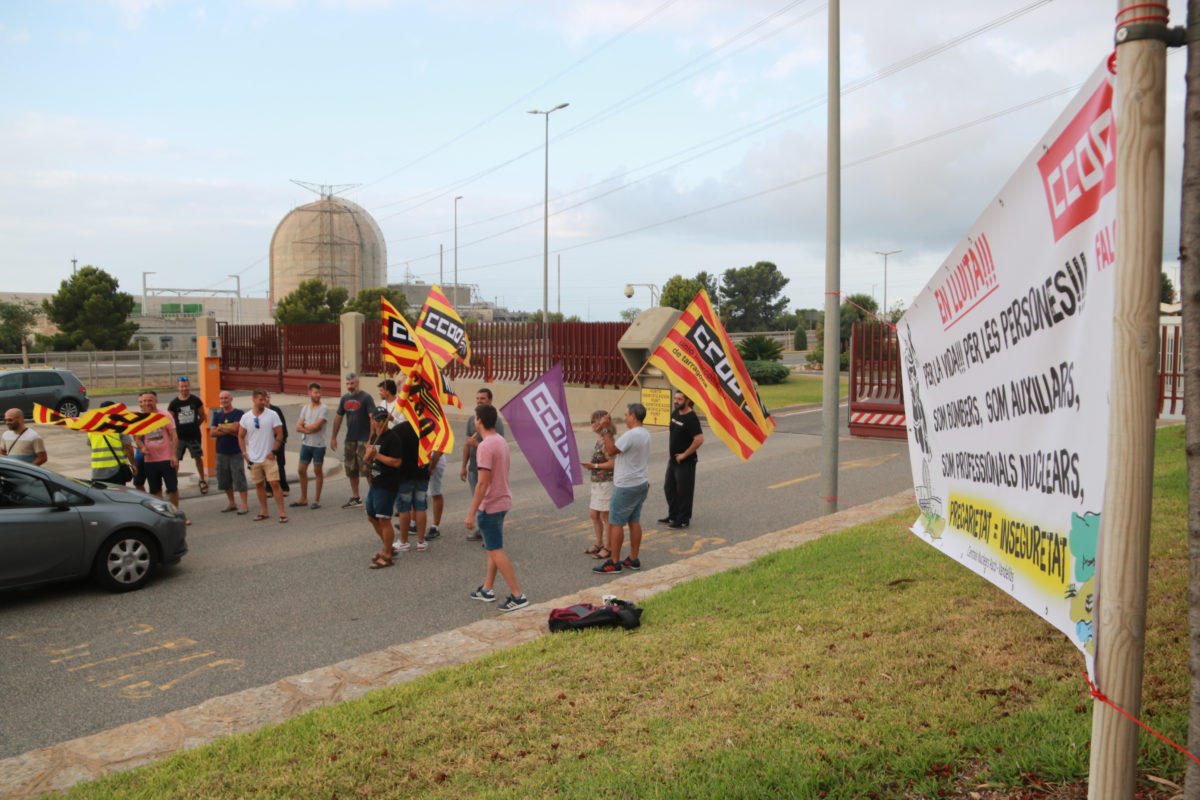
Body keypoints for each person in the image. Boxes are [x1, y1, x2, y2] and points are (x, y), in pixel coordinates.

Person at [465, 403, 528, 611]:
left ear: (479, 420)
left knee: (495, 549)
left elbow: (482, 483)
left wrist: (472, 513)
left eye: (475, 417)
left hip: (491, 504)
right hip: (503, 500)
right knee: (492, 547)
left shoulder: (484, 446)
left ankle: (517, 595)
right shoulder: (500, 441)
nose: (474, 420)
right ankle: (487, 588)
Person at [592, 402, 652, 574]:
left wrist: (605, 430)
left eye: (626, 415)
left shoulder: (631, 435)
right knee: (634, 521)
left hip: (625, 484)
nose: (624, 418)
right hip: (640, 482)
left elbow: (611, 450)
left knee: (616, 522)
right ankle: (633, 558)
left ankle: (614, 562)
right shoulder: (645, 434)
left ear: (633, 416)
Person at [460, 388, 505, 540]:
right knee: (477, 498)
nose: (479, 400)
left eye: (483, 398)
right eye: (477, 398)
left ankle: (484, 530)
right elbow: (467, 444)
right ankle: (483, 530)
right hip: (474, 467)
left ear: (490, 400)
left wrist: (477, 445)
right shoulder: (471, 420)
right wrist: (463, 467)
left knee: (483, 500)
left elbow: (493, 451)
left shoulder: (495, 422)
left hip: (486, 470)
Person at [362, 406, 404, 569]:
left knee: (384, 519)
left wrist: (376, 455)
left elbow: (397, 462)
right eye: (377, 419)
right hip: (375, 481)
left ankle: (387, 555)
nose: (380, 422)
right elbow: (369, 456)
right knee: (371, 516)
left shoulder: (392, 438)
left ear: (387, 420)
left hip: (387, 484)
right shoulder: (375, 436)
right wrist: (367, 456)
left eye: (382, 419)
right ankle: (388, 547)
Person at [238, 389, 287, 523]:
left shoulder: (272, 414)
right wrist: (245, 454)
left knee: (274, 483)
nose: (263, 402)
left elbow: (279, 434)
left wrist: (273, 451)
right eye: (261, 399)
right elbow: (241, 436)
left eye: (265, 399)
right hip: (253, 458)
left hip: (268, 457)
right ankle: (264, 511)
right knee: (259, 485)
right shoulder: (246, 417)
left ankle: (282, 512)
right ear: (254, 400)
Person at [330, 372, 376, 509]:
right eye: (347, 384)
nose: (350, 386)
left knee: (367, 470)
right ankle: (356, 497)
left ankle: (374, 497)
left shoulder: (366, 398)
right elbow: (338, 417)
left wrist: (370, 440)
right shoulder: (344, 399)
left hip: (363, 440)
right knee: (351, 470)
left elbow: (372, 419)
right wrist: (334, 437)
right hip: (350, 439)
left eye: (352, 383)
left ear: (357, 383)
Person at [660, 391, 704, 529]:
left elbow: (699, 440)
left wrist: (684, 455)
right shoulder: (675, 413)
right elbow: (673, 434)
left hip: (686, 461)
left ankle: (683, 519)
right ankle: (673, 515)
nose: (676, 401)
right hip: (673, 460)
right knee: (669, 488)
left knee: (684, 491)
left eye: (679, 399)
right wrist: (670, 452)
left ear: (687, 400)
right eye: (675, 398)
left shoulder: (691, 418)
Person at [135, 391, 182, 515]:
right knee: (155, 490)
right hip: (150, 460)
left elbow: (174, 436)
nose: (146, 403)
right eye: (144, 401)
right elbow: (138, 439)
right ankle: (162, 514)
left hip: (166, 459)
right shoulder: (142, 418)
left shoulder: (164, 415)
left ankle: (175, 513)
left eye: (149, 400)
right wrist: (142, 448)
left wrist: (174, 455)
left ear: (156, 401)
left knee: (172, 488)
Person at [391, 416, 430, 553]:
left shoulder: (398, 430)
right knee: (420, 506)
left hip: (404, 474)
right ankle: (421, 541)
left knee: (404, 509)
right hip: (422, 472)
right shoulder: (427, 428)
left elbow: (393, 452)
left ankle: (403, 541)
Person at [581, 409, 616, 559]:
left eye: (593, 421)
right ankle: (599, 542)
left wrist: (594, 466)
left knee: (606, 516)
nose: (591, 424)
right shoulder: (599, 439)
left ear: (601, 423)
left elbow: (613, 463)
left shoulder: (607, 441)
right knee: (594, 514)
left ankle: (609, 547)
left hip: (606, 483)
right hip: (597, 483)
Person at [210, 390, 249, 514]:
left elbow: (237, 430)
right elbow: (212, 432)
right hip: (221, 452)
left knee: (239, 478)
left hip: (236, 451)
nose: (223, 400)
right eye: (221, 398)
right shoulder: (217, 416)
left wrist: (221, 428)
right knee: (224, 479)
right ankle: (232, 502)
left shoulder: (238, 413)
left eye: (226, 398)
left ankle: (244, 504)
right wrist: (229, 430)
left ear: (231, 399)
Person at [167, 377, 207, 495]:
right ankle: (173, 483)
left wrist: (194, 425)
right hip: (179, 437)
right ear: (178, 388)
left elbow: (202, 417)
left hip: (194, 436)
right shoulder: (174, 403)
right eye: (182, 386)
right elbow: (170, 421)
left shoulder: (196, 400)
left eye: (186, 386)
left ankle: (202, 479)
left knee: (198, 458)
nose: (184, 388)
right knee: (176, 460)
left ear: (189, 386)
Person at [294, 382, 329, 509]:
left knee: (317, 471)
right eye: (315, 392)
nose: (318, 395)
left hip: (318, 445)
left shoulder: (323, 408)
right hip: (306, 443)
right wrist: (307, 428)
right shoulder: (305, 408)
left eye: (319, 392)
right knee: (301, 470)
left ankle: (317, 499)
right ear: (309, 393)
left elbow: (317, 426)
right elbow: (298, 426)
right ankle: (303, 497)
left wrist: (306, 426)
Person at [89, 401, 136, 485]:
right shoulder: (119, 426)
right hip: (115, 470)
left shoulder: (92, 428)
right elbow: (128, 447)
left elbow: (92, 446)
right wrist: (133, 464)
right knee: (117, 495)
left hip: (97, 471)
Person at [267, 394, 290, 495]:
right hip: (266, 443)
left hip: (278, 441)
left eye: (267, 397)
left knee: (280, 465)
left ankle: (284, 488)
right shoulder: (259, 412)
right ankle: (268, 489)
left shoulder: (276, 410)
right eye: (263, 397)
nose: (266, 399)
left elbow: (282, 425)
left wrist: (283, 439)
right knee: (267, 466)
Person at [425, 447, 448, 539]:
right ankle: (413, 523)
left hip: (435, 461)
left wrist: (432, 466)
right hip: (423, 459)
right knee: (417, 492)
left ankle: (435, 526)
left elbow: (440, 449)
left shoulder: (439, 432)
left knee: (435, 493)